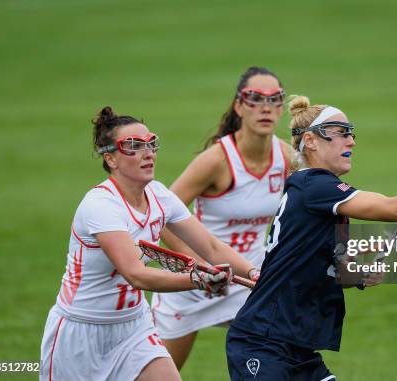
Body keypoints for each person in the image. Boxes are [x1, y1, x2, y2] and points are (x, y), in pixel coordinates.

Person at [226, 95, 397, 380]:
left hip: (296, 348)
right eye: (341, 133)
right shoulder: (316, 186)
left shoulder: (317, 194)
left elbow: (324, 266)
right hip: (263, 344)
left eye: (351, 133)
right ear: (310, 141)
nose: (351, 141)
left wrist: (356, 275)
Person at [39, 106, 258, 381]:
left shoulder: (158, 195)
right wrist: (197, 279)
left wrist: (254, 273)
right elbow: (136, 274)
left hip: (134, 328)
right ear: (111, 159)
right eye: (133, 146)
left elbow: (211, 247)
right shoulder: (100, 205)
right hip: (80, 332)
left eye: (151, 143)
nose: (148, 153)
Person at [151, 67, 294, 370]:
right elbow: (162, 214)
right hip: (194, 284)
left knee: (280, 363)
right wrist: (198, 267)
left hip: (247, 279)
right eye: (254, 99)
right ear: (239, 106)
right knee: (159, 375)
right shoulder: (216, 160)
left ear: (282, 107)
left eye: (274, 99)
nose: (265, 107)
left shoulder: (286, 158)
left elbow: (312, 209)